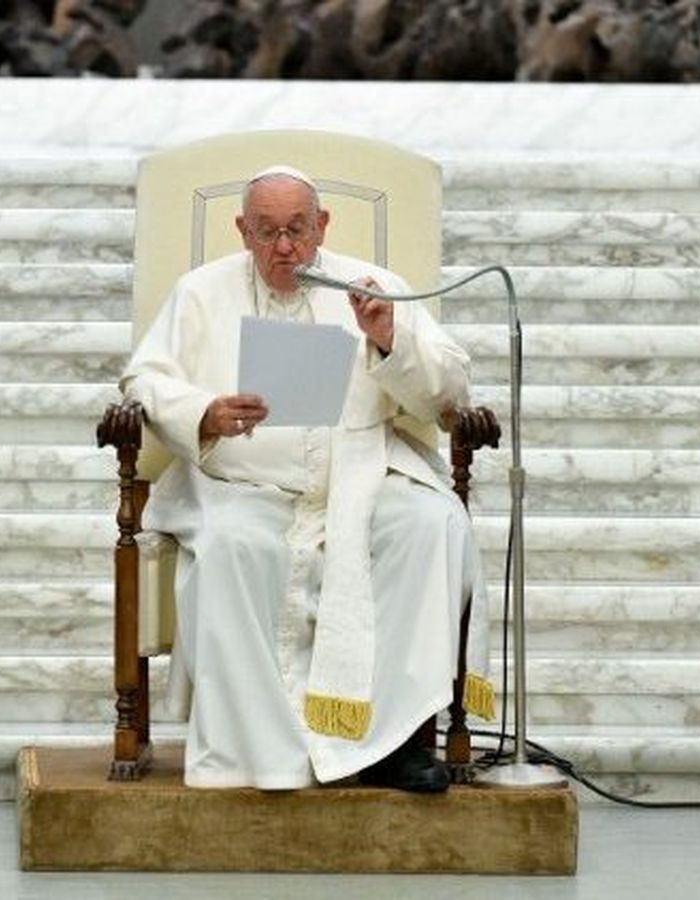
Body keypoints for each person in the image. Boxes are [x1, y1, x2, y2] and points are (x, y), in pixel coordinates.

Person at [121, 166, 493, 792]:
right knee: (233, 547)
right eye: (266, 232)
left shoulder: (372, 289)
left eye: (297, 229)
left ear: (323, 226)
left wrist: (388, 337)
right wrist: (204, 412)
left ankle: (394, 741)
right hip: (243, 485)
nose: (285, 247)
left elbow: (450, 389)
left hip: (361, 475)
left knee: (431, 523)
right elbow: (143, 381)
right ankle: (262, 751)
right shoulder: (200, 293)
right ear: (242, 231)